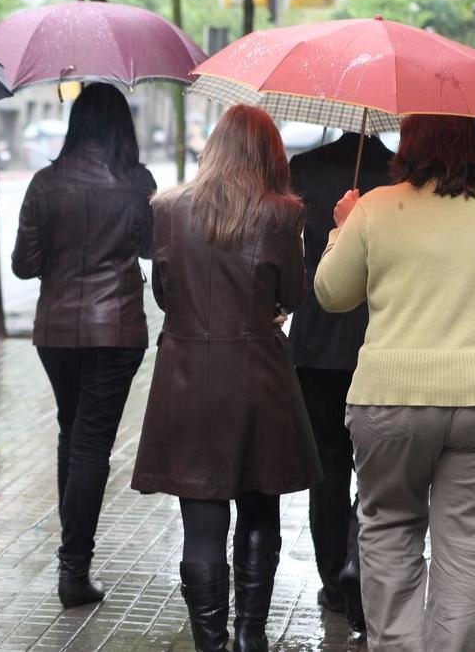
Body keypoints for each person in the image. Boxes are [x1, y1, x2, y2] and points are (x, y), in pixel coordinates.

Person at [315, 114, 475, 652]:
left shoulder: (375, 208)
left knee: (390, 532)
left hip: (391, 402)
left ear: (409, 144)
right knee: (470, 554)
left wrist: (342, 227)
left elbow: (332, 293)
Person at [133, 104, 321, 652]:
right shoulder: (282, 214)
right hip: (257, 376)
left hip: (187, 378)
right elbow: (292, 296)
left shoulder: (168, 208)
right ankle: (250, 636)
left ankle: (210, 643)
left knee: (201, 522)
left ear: (213, 145)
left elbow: (164, 293)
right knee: (260, 505)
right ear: (270, 154)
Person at [11, 82, 157, 609]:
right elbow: (148, 249)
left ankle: (72, 562)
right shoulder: (139, 183)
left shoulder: (44, 184)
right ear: (123, 127)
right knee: (91, 445)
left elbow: (24, 265)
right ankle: (74, 568)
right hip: (116, 329)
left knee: (71, 436)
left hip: (56, 331)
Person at [288, 132, 393, 632]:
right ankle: (358, 560)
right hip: (380, 340)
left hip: (316, 340)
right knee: (375, 468)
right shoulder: (402, 176)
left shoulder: (302, 169)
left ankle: (333, 580)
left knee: (326, 469)